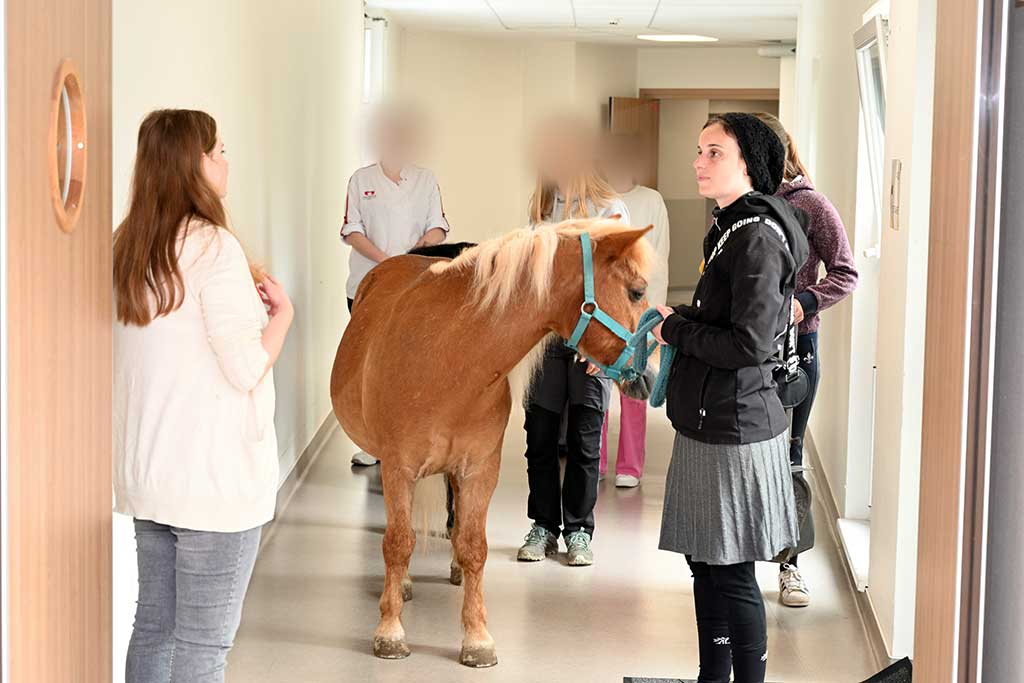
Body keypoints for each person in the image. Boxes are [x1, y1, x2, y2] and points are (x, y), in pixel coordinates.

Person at [113, 109, 293, 682]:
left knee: (154, 630)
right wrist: (283, 317)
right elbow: (244, 367)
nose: (226, 161)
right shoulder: (214, 247)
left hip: (152, 478)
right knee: (204, 646)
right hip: (214, 487)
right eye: (217, 152)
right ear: (192, 164)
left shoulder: (127, 247)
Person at [652, 113, 808, 683]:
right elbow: (727, 317)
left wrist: (676, 332)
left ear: (749, 164)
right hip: (707, 420)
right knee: (705, 563)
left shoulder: (759, 239)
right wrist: (683, 317)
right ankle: (712, 676)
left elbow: (749, 343)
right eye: (699, 150)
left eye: (713, 152)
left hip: (736, 426)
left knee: (733, 571)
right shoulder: (729, 228)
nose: (698, 161)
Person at [753, 112, 859, 608]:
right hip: (746, 351)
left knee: (788, 459)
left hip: (796, 352)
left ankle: (789, 567)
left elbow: (845, 272)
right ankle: (738, 562)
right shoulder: (739, 208)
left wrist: (802, 303)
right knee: (747, 459)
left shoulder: (809, 203)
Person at [517, 117, 630, 567]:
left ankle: (579, 530)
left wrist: (609, 351)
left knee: (585, 440)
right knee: (540, 437)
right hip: (546, 341)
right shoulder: (540, 210)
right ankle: (543, 526)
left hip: (591, 344)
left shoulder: (610, 208)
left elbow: (622, 282)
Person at [341, 103, 450, 466]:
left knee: (408, 366)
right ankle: (373, 443)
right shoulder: (361, 180)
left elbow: (438, 226)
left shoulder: (426, 179)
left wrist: (416, 251)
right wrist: (386, 261)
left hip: (415, 289)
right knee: (370, 365)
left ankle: (409, 439)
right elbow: (351, 229)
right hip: (367, 286)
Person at [598, 134, 671, 488]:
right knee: (596, 386)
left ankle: (630, 465)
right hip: (602, 312)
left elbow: (660, 259)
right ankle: (595, 460)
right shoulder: (595, 200)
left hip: (639, 311)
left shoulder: (651, 201)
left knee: (633, 384)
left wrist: (651, 315)